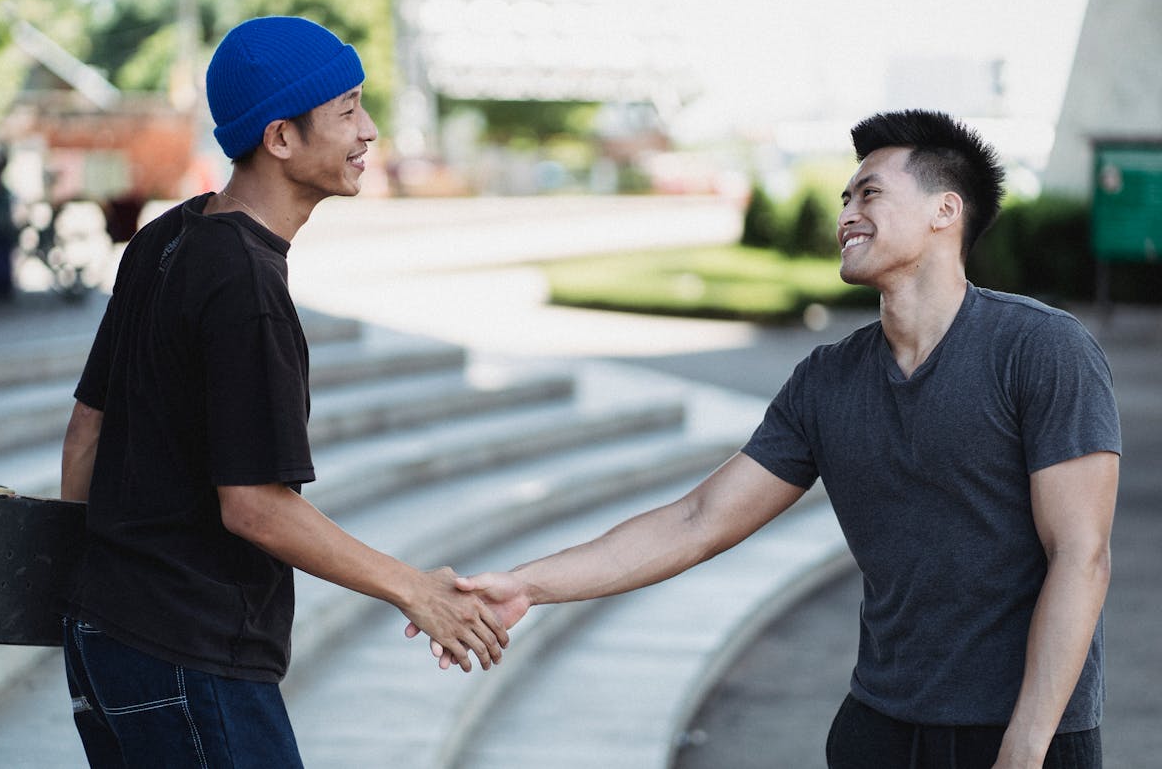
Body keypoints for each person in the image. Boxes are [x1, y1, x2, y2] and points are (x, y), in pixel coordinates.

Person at [414, 110, 1120, 769]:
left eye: (870, 194)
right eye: (845, 198)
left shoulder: (1039, 349)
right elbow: (697, 521)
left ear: (946, 210)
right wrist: (529, 585)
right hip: (878, 725)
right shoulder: (828, 381)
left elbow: (1080, 554)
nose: (848, 213)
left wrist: (1027, 747)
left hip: (1025, 728)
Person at [59, 16, 507, 768]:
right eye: (347, 110)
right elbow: (255, 505)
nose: (368, 131)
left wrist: (76, 596)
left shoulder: (164, 238)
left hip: (107, 638)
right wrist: (414, 590)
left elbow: (85, 432)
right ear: (280, 139)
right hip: (189, 654)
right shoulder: (247, 289)